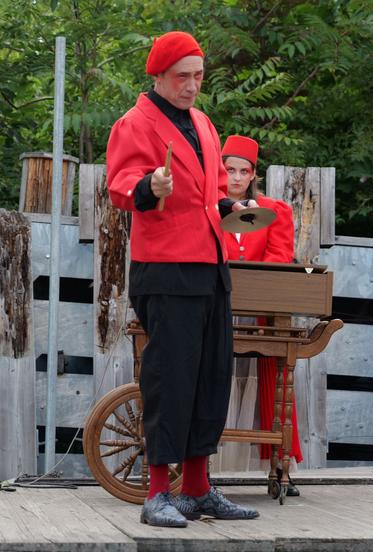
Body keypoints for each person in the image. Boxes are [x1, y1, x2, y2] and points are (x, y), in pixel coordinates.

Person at [106, 31, 259, 527]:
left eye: (198, 76)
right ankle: (157, 494)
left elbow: (211, 193)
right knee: (171, 379)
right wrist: (149, 185)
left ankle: (197, 488)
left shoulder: (203, 123)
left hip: (210, 266)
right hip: (167, 267)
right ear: (159, 75)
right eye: (183, 77)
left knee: (210, 377)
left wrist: (231, 206)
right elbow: (121, 186)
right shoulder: (135, 123)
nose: (193, 86)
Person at [220, 134, 302, 496]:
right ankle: (199, 463)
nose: (236, 178)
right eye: (229, 170)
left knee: (272, 376)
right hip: (217, 306)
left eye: (243, 171)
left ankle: (281, 463)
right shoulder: (208, 207)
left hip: (260, 313)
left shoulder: (274, 210)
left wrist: (253, 288)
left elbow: (280, 255)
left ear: (253, 174)